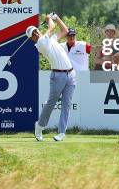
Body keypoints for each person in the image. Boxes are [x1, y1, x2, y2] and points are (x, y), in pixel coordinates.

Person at [28, 14, 75, 142]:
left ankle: (61, 132)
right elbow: (52, 27)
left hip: (70, 74)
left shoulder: (51, 39)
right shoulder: (41, 43)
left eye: (36, 31)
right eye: (33, 34)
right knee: (51, 103)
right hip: (57, 76)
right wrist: (49, 18)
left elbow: (65, 31)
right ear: (32, 38)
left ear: (38, 30)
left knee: (66, 104)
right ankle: (39, 126)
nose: (36, 34)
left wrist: (58, 18)